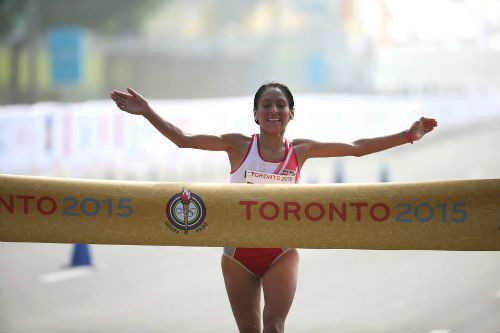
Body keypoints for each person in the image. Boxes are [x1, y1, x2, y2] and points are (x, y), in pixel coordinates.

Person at [110, 82, 438, 333]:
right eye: (266, 104)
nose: (273, 109)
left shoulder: (302, 150)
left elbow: (356, 148)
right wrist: (148, 112)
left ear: (291, 113)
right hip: (237, 256)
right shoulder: (238, 145)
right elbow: (184, 139)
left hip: (281, 251)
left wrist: (408, 135)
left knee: (274, 326)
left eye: (281, 104)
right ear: (255, 113)